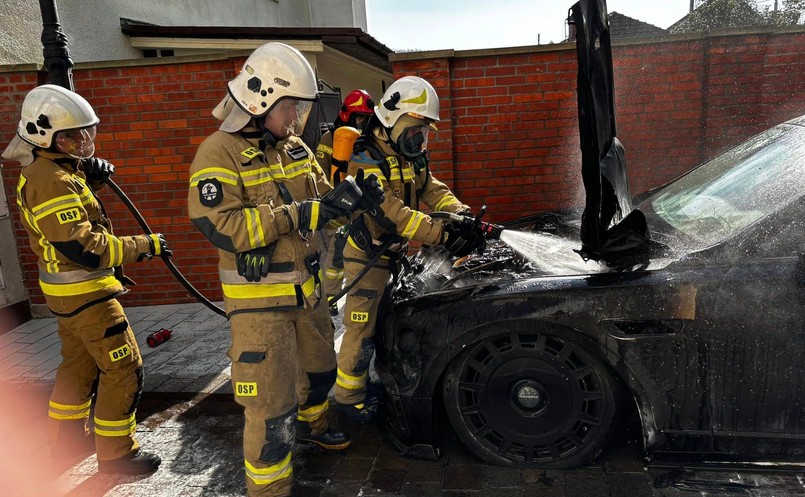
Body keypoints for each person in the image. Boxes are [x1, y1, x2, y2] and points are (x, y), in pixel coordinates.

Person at [187, 42, 383, 497]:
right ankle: (270, 488)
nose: (296, 117)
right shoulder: (218, 152)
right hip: (261, 309)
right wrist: (297, 215)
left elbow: (323, 202)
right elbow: (219, 224)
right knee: (271, 406)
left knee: (319, 372)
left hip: (307, 294)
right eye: (290, 106)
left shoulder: (294, 148)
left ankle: (314, 426)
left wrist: (351, 203)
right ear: (260, 101)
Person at [2, 84, 168, 474]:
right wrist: (144, 245)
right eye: (72, 136)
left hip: (68, 296)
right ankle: (117, 454)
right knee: (123, 368)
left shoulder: (53, 170)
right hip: (87, 295)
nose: (83, 142)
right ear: (43, 135)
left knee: (77, 366)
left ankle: (66, 442)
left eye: (85, 132)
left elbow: (68, 220)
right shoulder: (53, 179)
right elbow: (83, 247)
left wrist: (89, 182)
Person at [335, 76, 485, 423]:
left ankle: (376, 382)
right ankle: (349, 399)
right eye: (416, 130)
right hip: (367, 257)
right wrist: (443, 235)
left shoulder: (408, 156)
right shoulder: (365, 159)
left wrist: (460, 214)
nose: (421, 139)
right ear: (392, 119)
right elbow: (394, 215)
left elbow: (433, 189)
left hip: (395, 255)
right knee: (361, 329)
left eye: (425, 132)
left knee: (385, 323)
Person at [315, 89, 375, 315]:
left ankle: (361, 292)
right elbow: (321, 172)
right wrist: (331, 202)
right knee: (336, 251)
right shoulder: (329, 139)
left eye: (365, 119)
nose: (362, 123)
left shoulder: (365, 139)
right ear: (347, 115)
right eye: (359, 118)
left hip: (360, 203)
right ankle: (330, 297)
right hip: (337, 204)